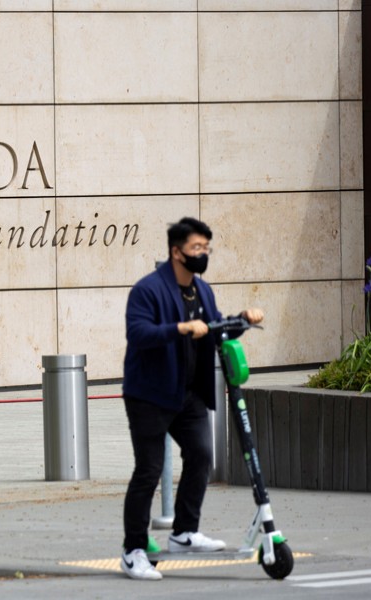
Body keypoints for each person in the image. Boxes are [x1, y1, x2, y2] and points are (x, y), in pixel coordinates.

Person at [120, 217, 264, 581]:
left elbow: (215, 329)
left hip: (188, 395)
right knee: (149, 470)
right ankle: (133, 550)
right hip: (149, 395)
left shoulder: (202, 291)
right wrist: (181, 328)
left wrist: (243, 320)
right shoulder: (148, 290)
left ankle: (184, 533)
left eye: (206, 248)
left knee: (201, 454)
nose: (203, 254)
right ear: (176, 251)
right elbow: (138, 333)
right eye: (196, 248)